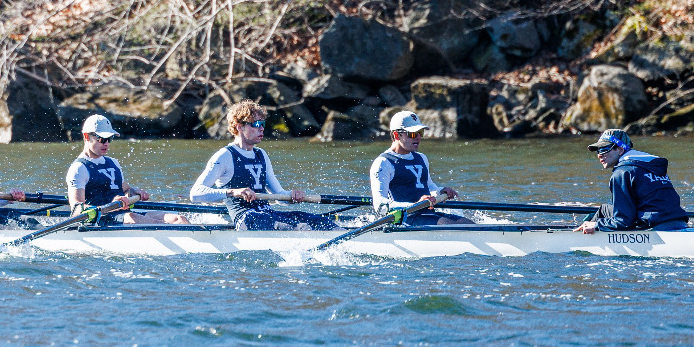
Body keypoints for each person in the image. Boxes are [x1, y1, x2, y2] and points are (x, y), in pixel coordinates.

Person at [189, 100, 336, 231]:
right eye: (256, 124)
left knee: (322, 222)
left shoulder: (261, 155)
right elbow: (195, 194)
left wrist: (293, 195)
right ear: (240, 127)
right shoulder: (225, 156)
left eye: (263, 124)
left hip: (269, 215)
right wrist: (233, 192)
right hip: (247, 219)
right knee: (301, 227)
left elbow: (279, 196)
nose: (262, 129)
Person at [65, 114, 184, 225]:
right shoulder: (79, 168)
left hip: (123, 215)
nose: (106, 144)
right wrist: (111, 204)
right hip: (101, 220)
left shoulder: (113, 163)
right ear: (86, 136)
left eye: (109, 139)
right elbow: (76, 209)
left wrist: (133, 192)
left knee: (179, 219)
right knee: (138, 219)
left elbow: (125, 189)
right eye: (101, 139)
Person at [575, 128, 692, 234]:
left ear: (620, 150)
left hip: (654, 227)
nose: (600, 155)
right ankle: (583, 228)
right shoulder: (652, 166)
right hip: (678, 221)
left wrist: (597, 225)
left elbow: (623, 221)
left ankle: (582, 234)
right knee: (604, 209)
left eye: (604, 149)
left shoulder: (622, 173)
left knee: (606, 219)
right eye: (598, 151)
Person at [368, 110, 469, 225]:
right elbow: (380, 205)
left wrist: (441, 191)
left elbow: (429, 187)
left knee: (467, 223)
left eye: (420, 132)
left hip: (427, 215)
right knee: (451, 225)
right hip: (405, 220)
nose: (417, 137)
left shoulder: (421, 158)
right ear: (396, 135)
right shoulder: (383, 163)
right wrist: (415, 205)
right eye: (412, 134)